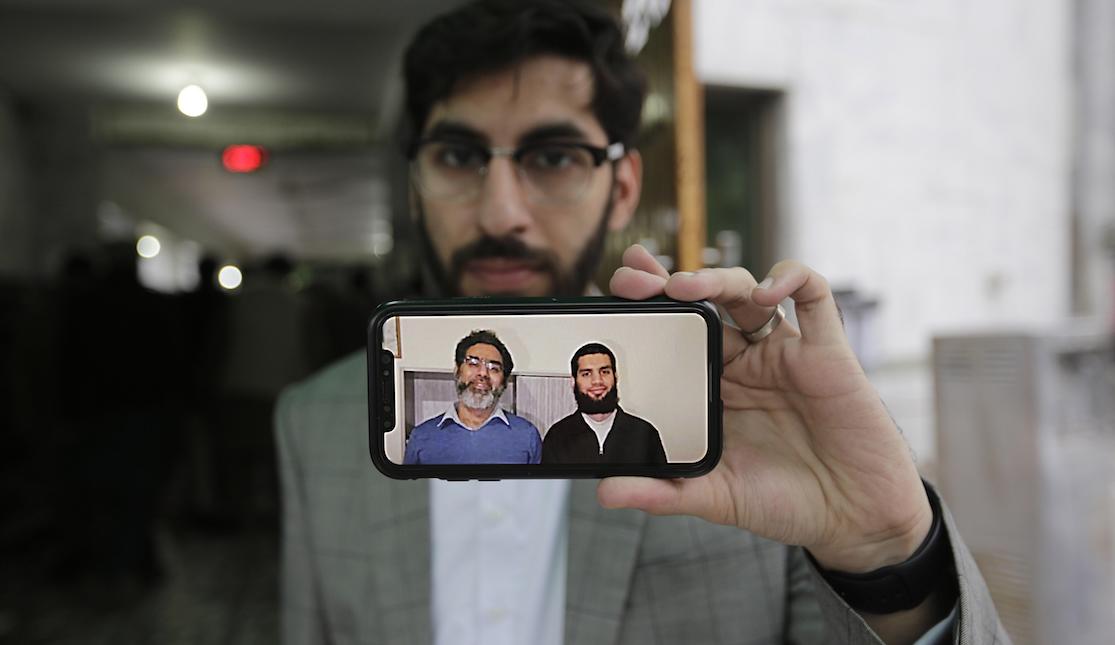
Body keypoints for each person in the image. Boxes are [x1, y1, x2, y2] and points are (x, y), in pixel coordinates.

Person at [275, 1, 1007, 644]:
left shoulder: (741, 412)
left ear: (621, 186)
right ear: (415, 183)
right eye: (458, 155)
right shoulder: (316, 424)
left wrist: (886, 555)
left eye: (555, 156)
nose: (500, 211)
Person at [404, 329, 542, 464]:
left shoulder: (527, 435)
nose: (483, 373)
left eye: (494, 368)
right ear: (457, 371)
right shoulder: (422, 436)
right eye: (473, 364)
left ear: (504, 382)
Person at [542, 342, 667, 464]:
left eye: (605, 372)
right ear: (573, 382)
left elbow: (660, 484)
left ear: (615, 377)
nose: (597, 381)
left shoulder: (645, 434)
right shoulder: (557, 437)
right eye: (586, 374)